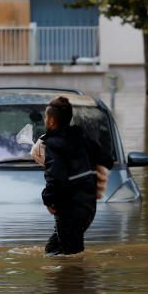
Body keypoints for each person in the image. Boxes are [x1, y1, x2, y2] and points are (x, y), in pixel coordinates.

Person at [39, 96, 114, 255]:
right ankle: (75, 277)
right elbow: (107, 159)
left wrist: (48, 199)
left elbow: (56, 177)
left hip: (69, 208)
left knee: (71, 256)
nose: (45, 120)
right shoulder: (82, 138)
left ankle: (78, 278)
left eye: (46, 117)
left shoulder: (54, 144)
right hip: (88, 207)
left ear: (52, 121)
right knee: (53, 250)